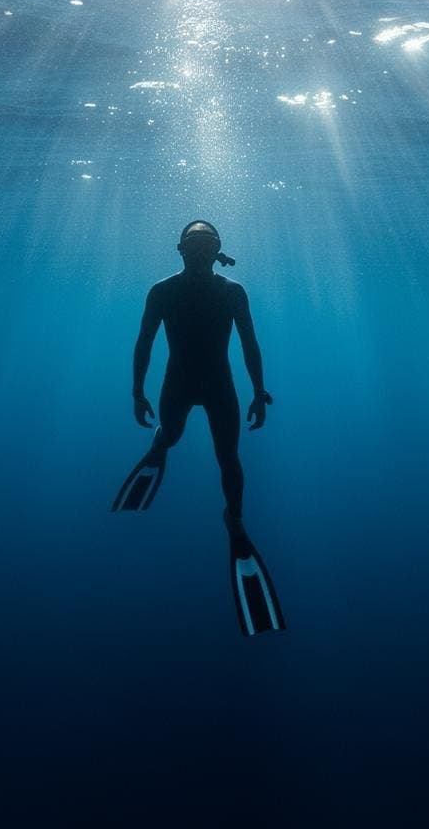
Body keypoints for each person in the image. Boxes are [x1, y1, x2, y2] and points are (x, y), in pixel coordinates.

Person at [111, 220, 284, 635]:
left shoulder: (231, 292)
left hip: (216, 386)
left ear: (217, 249)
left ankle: (235, 521)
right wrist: (137, 391)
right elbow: (144, 342)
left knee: (228, 457)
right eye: (197, 245)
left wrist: (260, 391)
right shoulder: (163, 292)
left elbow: (249, 343)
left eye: (208, 245)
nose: (202, 252)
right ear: (181, 249)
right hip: (182, 384)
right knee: (172, 436)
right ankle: (160, 445)